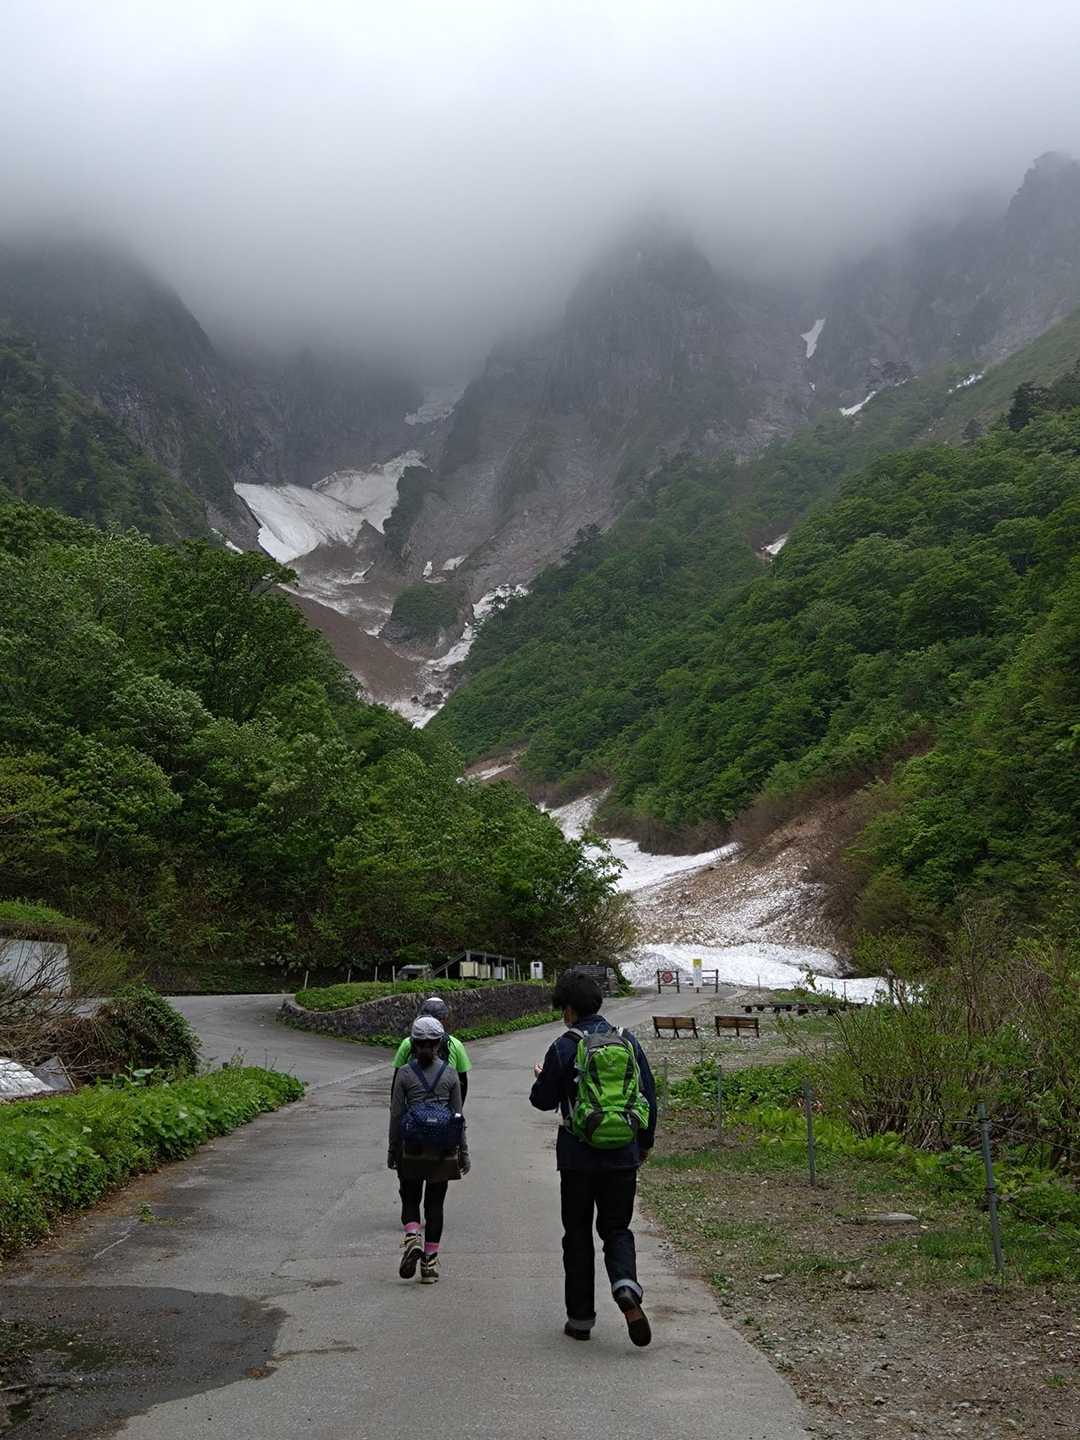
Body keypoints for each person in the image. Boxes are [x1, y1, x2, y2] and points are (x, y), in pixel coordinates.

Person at [530, 969, 657, 1347]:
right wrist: (643, 1143)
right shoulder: (627, 1041)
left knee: (577, 1234)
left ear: (569, 1009)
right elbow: (648, 1096)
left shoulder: (564, 1046)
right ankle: (625, 1286)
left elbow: (542, 1101)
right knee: (617, 1229)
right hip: (622, 1154)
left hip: (577, 1157)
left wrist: (542, 1076)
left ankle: (580, 1319)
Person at [388, 1015, 470, 1284]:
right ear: (439, 1044)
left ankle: (413, 1237)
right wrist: (463, 1153)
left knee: (410, 1198)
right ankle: (429, 1264)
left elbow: (396, 1114)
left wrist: (392, 1150)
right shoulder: (450, 1074)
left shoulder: (404, 1074)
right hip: (442, 1152)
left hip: (411, 1148)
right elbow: (458, 1117)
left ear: (413, 1043)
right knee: (435, 1205)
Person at [391, 996, 472, 1103]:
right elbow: (462, 1082)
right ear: (444, 1020)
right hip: (444, 1108)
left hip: (413, 1107)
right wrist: (458, 1109)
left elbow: (397, 1080)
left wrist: (394, 1107)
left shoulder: (407, 1043)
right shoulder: (455, 1044)